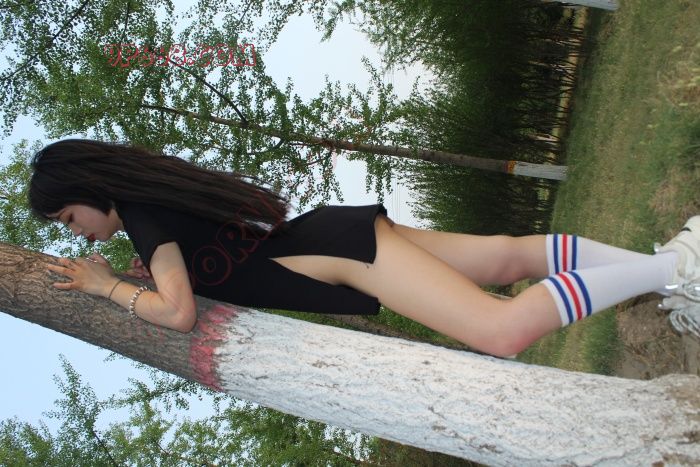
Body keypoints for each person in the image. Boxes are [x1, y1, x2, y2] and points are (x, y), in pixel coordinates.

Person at [30, 139, 700, 358]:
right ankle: (675, 264)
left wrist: (104, 286)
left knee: (502, 329)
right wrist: (143, 271)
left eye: (67, 216)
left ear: (88, 190)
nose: (75, 232)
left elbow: (177, 313)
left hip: (342, 253)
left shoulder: (143, 215)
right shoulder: (152, 202)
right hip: (334, 237)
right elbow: (199, 270)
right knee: (507, 257)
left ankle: (674, 267)